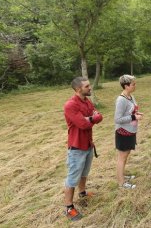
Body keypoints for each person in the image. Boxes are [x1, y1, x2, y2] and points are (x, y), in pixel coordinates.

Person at [63, 77, 103, 221]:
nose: (90, 88)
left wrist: (90, 118)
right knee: (72, 178)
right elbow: (83, 124)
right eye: (87, 86)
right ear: (78, 89)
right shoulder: (70, 105)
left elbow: (100, 116)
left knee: (84, 173)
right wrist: (91, 119)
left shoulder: (87, 101)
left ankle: (83, 193)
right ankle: (68, 208)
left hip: (88, 144)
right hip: (76, 147)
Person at [114, 75, 143, 189]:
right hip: (123, 132)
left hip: (131, 131)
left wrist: (138, 114)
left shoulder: (131, 96)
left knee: (126, 156)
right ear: (126, 86)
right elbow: (118, 119)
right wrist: (133, 117)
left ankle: (122, 176)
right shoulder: (121, 100)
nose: (135, 86)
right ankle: (121, 183)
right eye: (133, 84)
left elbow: (132, 111)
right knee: (122, 157)